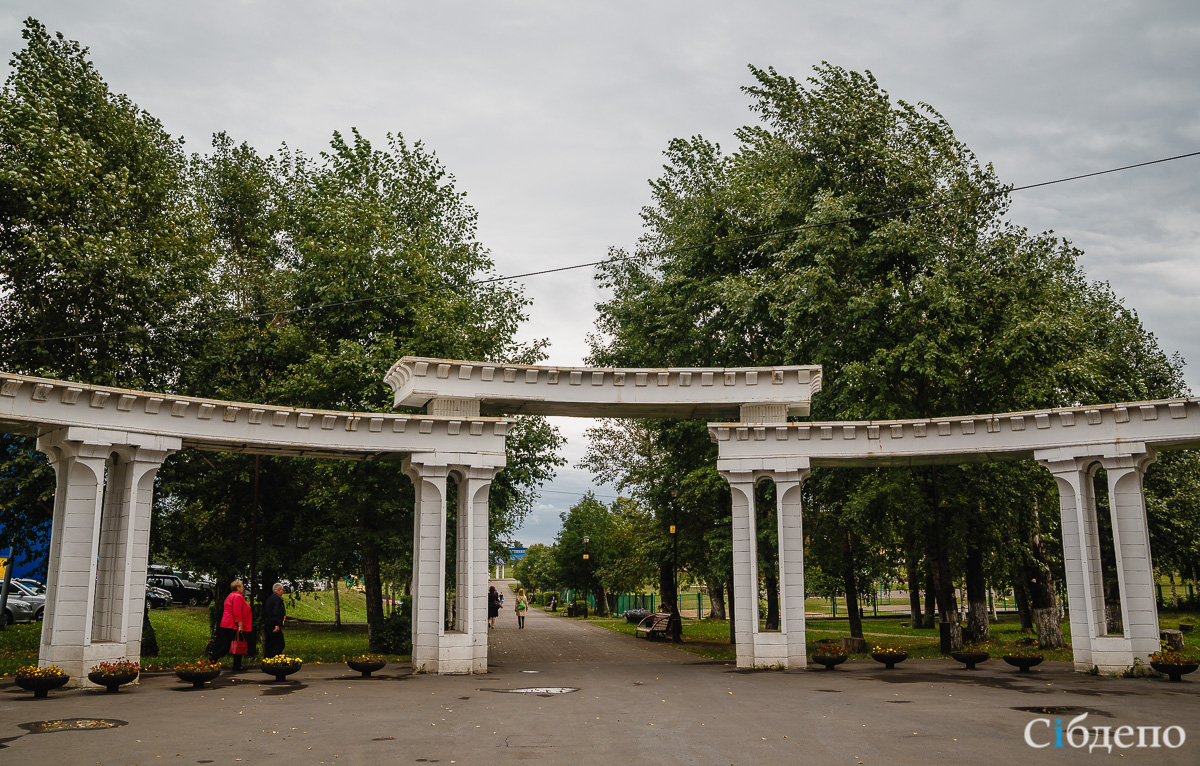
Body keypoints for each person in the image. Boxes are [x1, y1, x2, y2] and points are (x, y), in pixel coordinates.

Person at [211, 579, 252, 670]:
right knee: (231, 645)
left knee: (233, 643)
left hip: (227, 623)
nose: (243, 588)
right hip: (232, 624)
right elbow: (237, 612)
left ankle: (237, 665)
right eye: (241, 586)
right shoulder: (237, 597)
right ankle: (214, 658)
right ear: (237, 588)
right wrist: (240, 625)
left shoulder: (230, 596)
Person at [264, 582, 286, 658]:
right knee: (280, 644)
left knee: (269, 644)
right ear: (279, 590)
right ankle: (272, 658)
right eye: (282, 590)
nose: (283, 592)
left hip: (268, 623)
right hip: (273, 625)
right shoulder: (278, 599)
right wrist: (277, 624)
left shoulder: (270, 598)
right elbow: (276, 612)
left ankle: (266, 661)